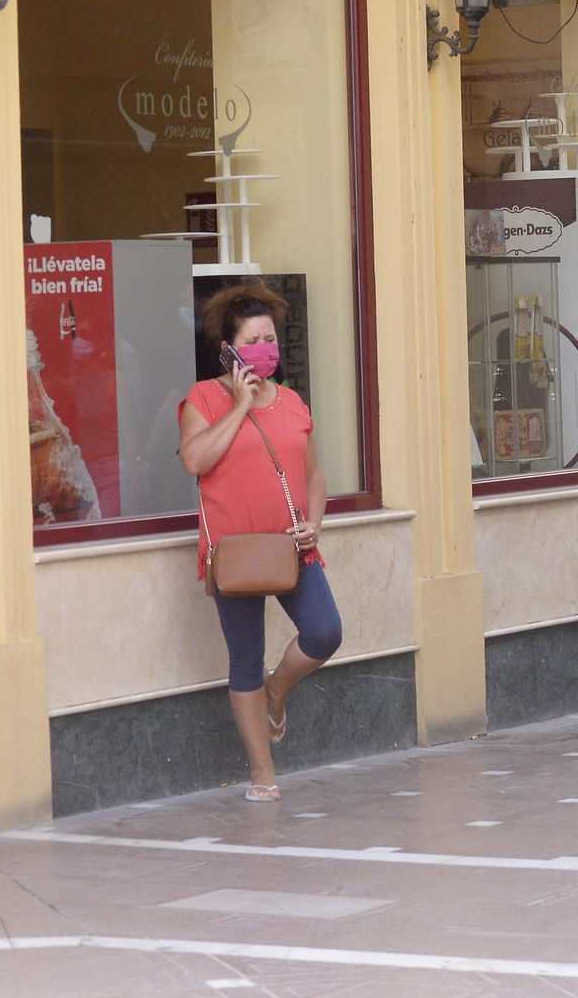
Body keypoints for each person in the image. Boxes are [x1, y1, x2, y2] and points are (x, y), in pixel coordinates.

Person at [178, 282, 342, 802]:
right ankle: (262, 774)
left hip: (293, 546)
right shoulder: (203, 398)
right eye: (253, 339)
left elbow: (314, 476)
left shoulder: (292, 402)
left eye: (271, 337)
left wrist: (314, 522)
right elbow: (195, 461)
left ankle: (278, 690)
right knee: (244, 660)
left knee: (325, 633)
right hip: (235, 553)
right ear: (229, 348)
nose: (265, 347)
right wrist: (240, 405)